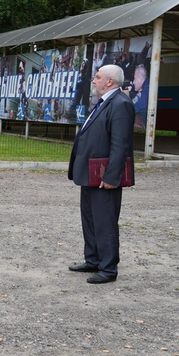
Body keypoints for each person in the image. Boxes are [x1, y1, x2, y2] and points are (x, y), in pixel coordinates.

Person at [67, 64, 135, 284]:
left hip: (104, 175)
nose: (93, 80)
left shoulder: (121, 104)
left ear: (110, 82)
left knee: (105, 221)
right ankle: (93, 259)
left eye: (97, 77)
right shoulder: (103, 102)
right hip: (90, 173)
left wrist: (111, 177)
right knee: (90, 218)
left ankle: (108, 268)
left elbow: (120, 145)